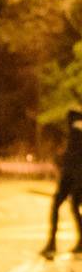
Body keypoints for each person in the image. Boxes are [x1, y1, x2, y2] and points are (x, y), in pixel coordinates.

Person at [43, 109, 82, 260]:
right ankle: (52, 242)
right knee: (67, 205)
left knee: (67, 205)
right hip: (72, 173)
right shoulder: (74, 121)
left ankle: (52, 242)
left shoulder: (75, 123)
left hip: (76, 174)